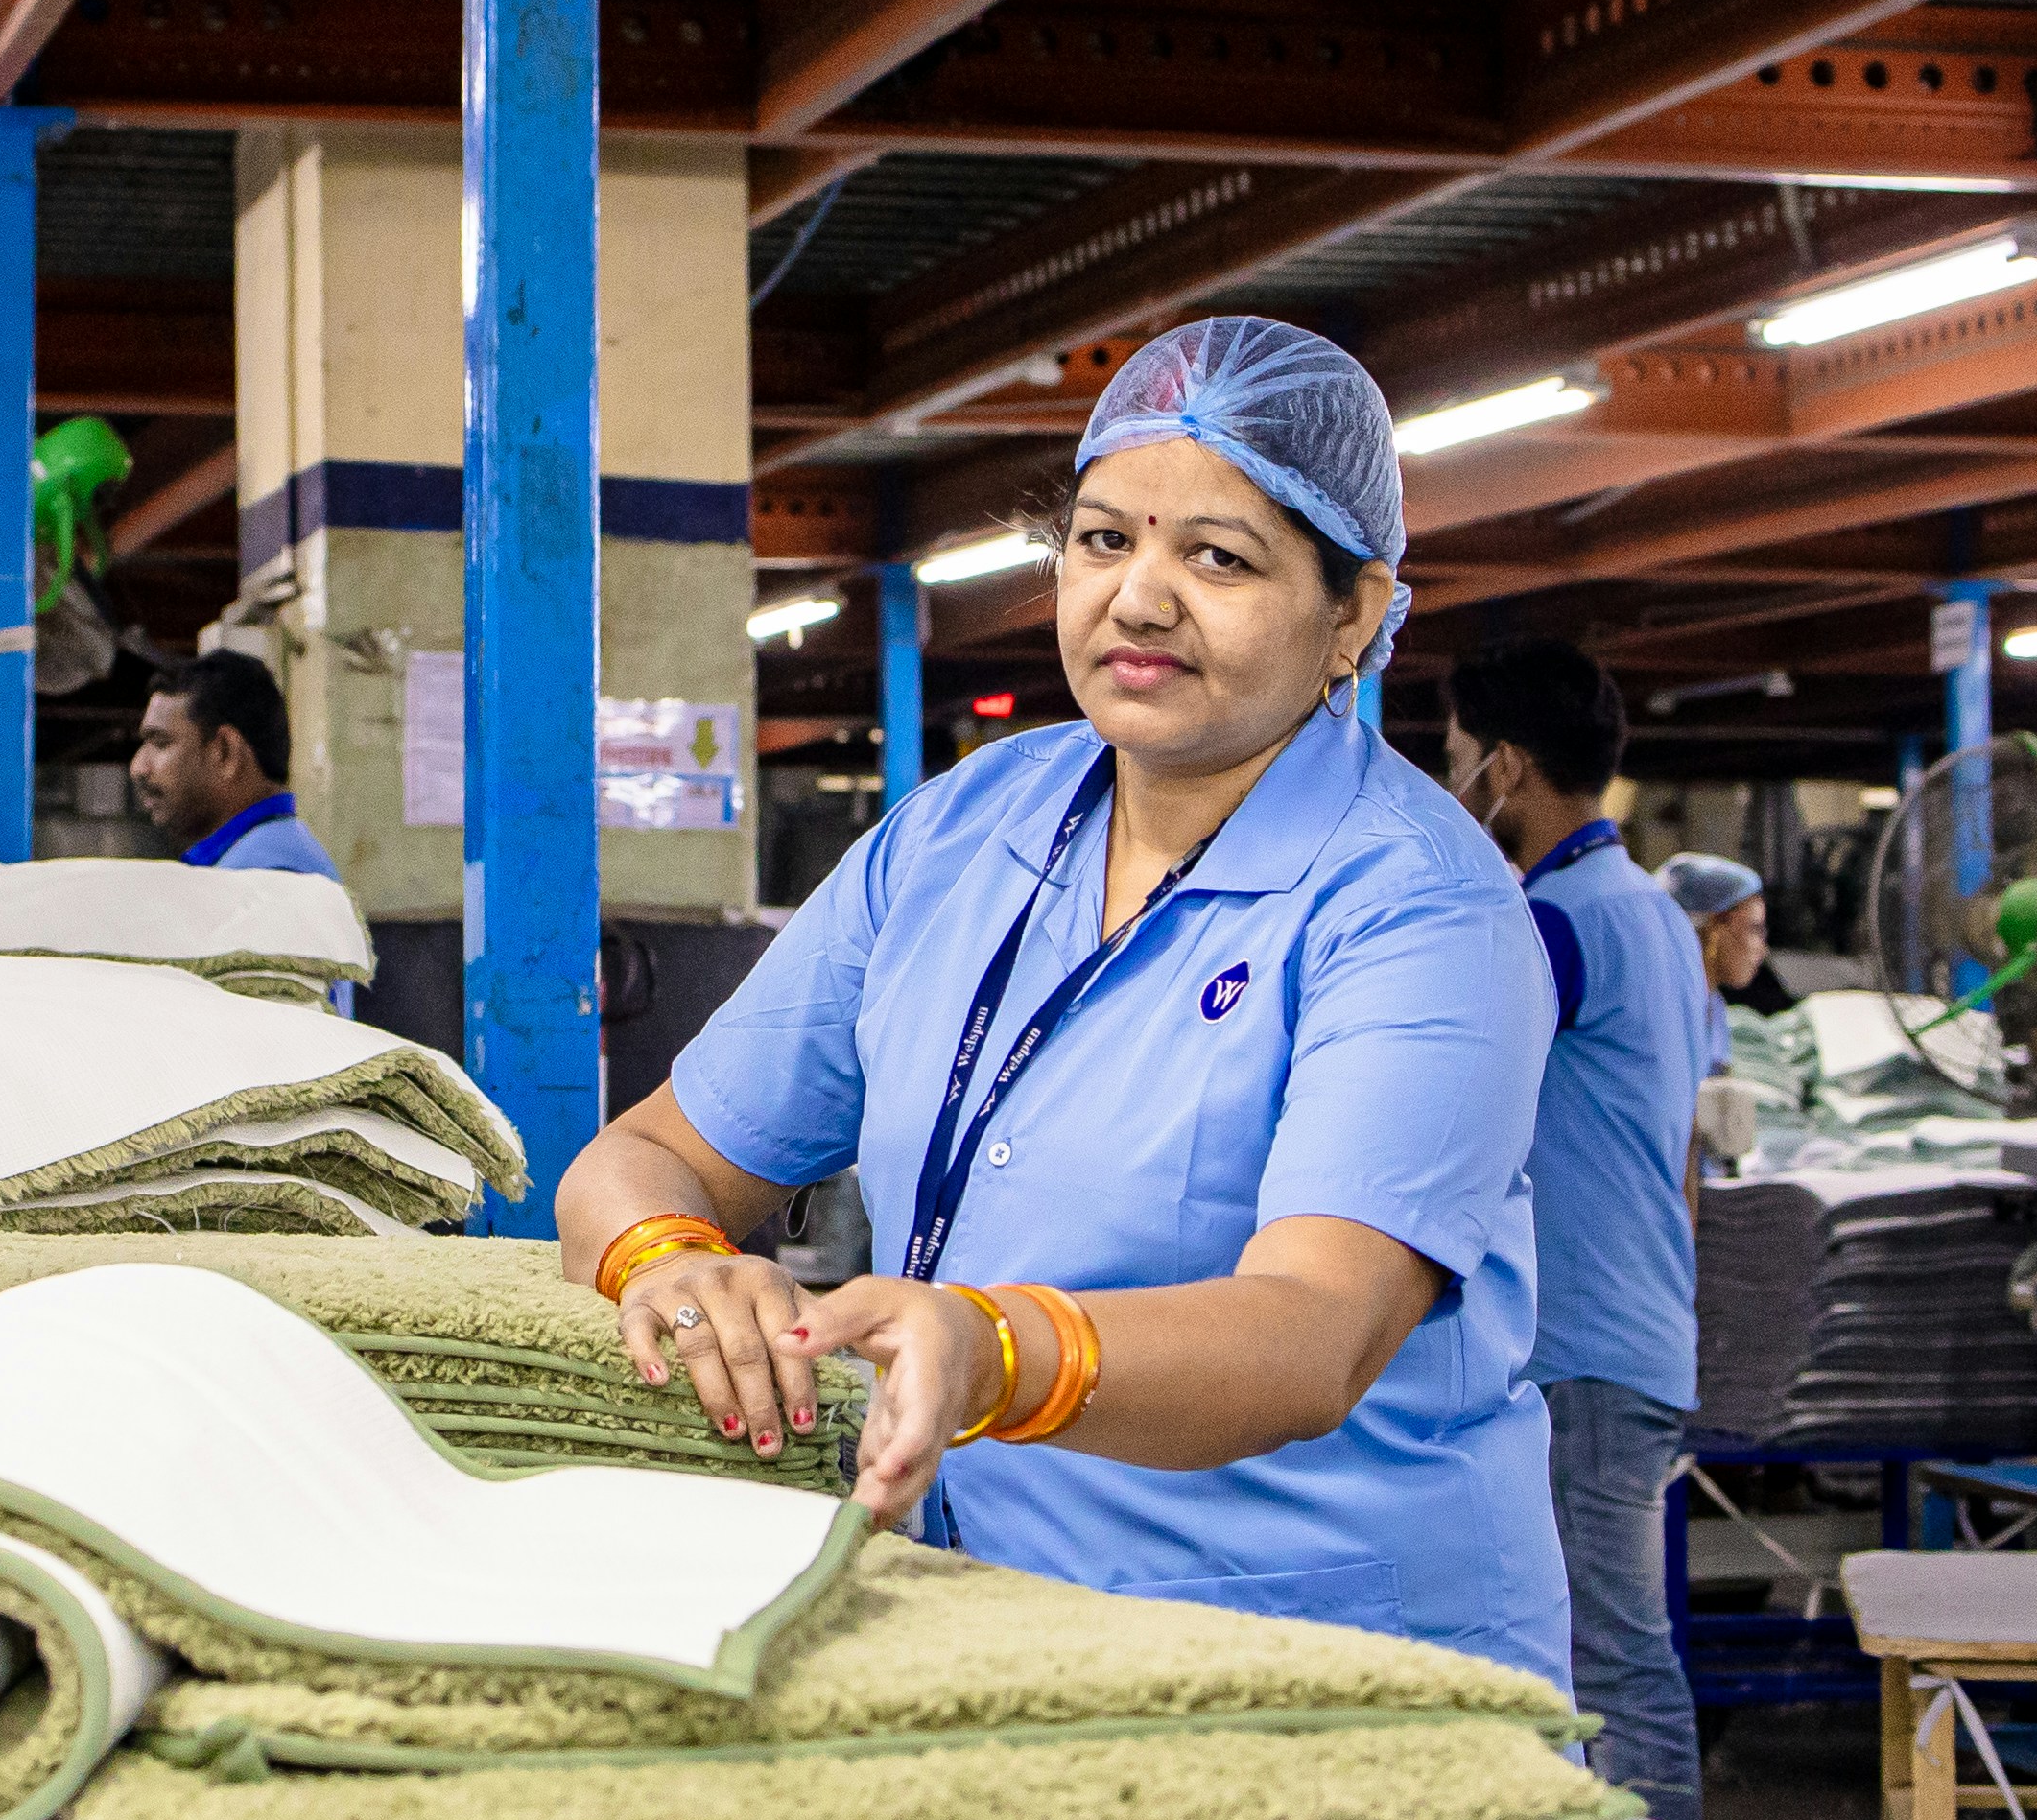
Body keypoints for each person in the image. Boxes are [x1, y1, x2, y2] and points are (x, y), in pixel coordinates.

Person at [559, 317, 1571, 1690]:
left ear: (1354, 614)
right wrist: (667, 1262)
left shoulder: (1414, 907)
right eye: (1102, 540)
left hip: (1321, 1661)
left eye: (1217, 557)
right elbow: (646, 1156)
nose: (1138, 598)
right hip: (989, 1623)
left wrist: (997, 1349)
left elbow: (1313, 1333)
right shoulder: (962, 832)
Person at [1443, 641, 1717, 1820]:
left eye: (1451, 761)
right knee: (1593, 1646)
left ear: (1504, 768)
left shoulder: (1550, 926)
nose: (1444, 786)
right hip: (1635, 1324)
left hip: (1585, 1350)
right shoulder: (1652, 914)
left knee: (1609, 1654)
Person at [130, 651, 339, 878]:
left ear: (225, 752)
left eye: (161, 743)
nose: (138, 767)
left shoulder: (267, 875)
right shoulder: (266, 856)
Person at [1660, 853, 1770, 1002]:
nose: (1763, 950)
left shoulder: (1713, 1006)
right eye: (1754, 929)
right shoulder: (1669, 1005)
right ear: (1714, 927)